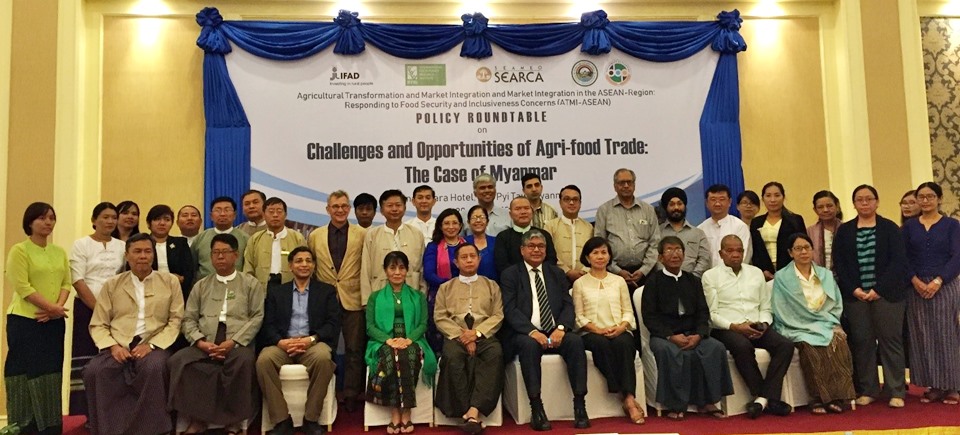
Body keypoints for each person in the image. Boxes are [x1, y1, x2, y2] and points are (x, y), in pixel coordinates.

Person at [84, 233, 185, 434]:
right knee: (95, 371)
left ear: (153, 256)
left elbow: (176, 320)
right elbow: (99, 323)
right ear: (127, 255)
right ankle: (109, 429)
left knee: (154, 368)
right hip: (118, 343)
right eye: (137, 251)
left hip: (153, 342)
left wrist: (152, 345)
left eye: (147, 251)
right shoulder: (112, 284)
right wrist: (113, 346)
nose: (142, 256)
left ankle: (152, 430)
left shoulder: (169, 282)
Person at [168, 233, 264, 434]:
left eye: (224, 252)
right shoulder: (201, 285)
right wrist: (200, 342)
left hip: (237, 342)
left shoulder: (250, 283)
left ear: (235, 255)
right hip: (206, 341)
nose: (220, 257)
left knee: (243, 363)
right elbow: (189, 319)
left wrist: (234, 342)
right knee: (180, 361)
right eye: (215, 253)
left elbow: (256, 317)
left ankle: (233, 423)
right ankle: (197, 420)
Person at [500, 229, 589, 430]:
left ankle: (580, 405)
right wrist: (533, 332)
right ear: (522, 250)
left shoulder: (556, 273)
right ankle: (536, 407)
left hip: (555, 330)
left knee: (575, 342)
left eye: (540, 246)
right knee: (528, 346)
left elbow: (568, 305)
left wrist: (561, 328)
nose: (536, 250)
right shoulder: (511, 274)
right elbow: (510, 309)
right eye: (531, 246)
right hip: (526, 333)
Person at [702, 235, 794, 418]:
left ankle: (761, 400)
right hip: (726, 328)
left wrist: (764, 324)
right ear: (721, 253)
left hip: (757, 324)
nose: (735, 254)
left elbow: (765, 306)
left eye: (739, 250)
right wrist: (735, 327)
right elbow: (711, 315)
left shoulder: (755, 272)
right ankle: (768, 398)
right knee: (743, 346)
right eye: (730, 250)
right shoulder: (710, 276)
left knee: (785, 345)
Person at [833, 185, 909, 408]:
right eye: (859, 200)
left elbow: (898, 262)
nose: (864, 203)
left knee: (890, 342)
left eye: (869, 199)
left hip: (887, 296)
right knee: (862, 343)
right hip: (856, 297)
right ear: (854, 203)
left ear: (877, 202)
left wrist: (879, 289)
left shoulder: (890, 228)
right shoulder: (845, 231)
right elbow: (840, 264)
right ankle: (868, 389)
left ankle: (896, 390)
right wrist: (854, 289)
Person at [642, 236, 732, 420]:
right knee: (670, 352)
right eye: (669, 250)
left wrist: (699, 335)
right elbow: (649, 317)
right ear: (660, 257)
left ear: (684, 254)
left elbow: (702, 313)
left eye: (678, 250)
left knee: (715, 348)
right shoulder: (653, 282)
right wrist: (670, 336)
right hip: (664, 336)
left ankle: (708, 401)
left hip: (693, 333)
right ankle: (676, 405)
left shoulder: (692, 280)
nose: (675, 254)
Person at [257, 247, 340, 435]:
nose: (304, 264)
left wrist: (311, 339)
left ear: (314, 265)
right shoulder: (277, 293)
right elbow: (267, 324)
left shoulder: (326, 291)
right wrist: (281, 342)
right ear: (291, 266)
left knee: (323, 359)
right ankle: (281, 421)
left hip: (312, 344)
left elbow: (333, 323)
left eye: (308, 261)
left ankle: (311, 419)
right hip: (283, 344)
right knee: (264, 360)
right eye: (299, 261)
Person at [5, 202, 71, 434]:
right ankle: (23, 425)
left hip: (53, 322)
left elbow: (66, 282)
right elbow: (22, 286)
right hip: (25, 321)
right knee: (24, 371)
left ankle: (50, 426)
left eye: (51, 218)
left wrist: (57, 308)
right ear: (30, 222)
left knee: (51, 371)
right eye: (42, 218)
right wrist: (51, 308)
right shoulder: (20, 250)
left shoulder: (59, 251)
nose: (48, 222)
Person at [771, 233, 855, 414]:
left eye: (807, 247)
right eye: (798, 248)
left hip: (824, 322)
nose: (803, 252)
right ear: (790, 252)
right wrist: (804, 325)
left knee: (838, 342)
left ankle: (839, 396)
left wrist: (834, 323)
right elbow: (781, 308)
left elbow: (836, 303)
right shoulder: (782, 277)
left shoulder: (824, 274)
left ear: (812, 250)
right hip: (796, 325)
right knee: (810, 347)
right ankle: (817, 398)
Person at [572, 237, 645, 425]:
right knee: (601, 344)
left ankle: (627, 398)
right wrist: (597, 329)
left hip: (619, 330)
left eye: (604, 252)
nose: (600, 256)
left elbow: (628, 311)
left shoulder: (619, 281)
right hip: (591, 333)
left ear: (609, 256)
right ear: (587, 258)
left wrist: (621, 327)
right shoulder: (580, 283)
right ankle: (627, 398)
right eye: (595, 253)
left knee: (625, 344)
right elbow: (579, 317)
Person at [434, 244, 504, 434]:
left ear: (479, 259)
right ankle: (466, 411)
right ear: (456, 262)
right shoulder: (445, 288)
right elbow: (440, 317)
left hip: (484, 335)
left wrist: (477, 333)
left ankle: (473, 411)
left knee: (495, 354)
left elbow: (497, 315)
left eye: (473, 256)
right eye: (464, 257)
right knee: (453, 357)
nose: (469, 260)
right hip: (456, 336)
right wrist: (463, 336)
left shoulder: (491, 285)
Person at [365, 251, 437, 435]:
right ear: (385, 271)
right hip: (383, 341)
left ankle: (405, 412)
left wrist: (408, 339)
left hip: (412, 339)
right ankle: (396, 412)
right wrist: (387, 339)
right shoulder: (375, 297)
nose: (397, 272)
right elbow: (370, 326)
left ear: (407, 271)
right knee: (391, 355)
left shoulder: (417, 296)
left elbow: (422, 324)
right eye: (392, 268)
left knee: (408, 355)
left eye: (401, 268)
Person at [308, 190, 367, 412]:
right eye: (335, 206)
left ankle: (351, 394)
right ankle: (327, 393)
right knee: (326, 349)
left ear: (349, 209)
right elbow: (311, 269)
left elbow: (366, 266)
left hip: (354, 298)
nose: (340, 210)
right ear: (327, 209)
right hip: (325, 301)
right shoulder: (315, 235)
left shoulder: (361, 234)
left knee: (354, 349)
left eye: (344, 206)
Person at [902, 182, 960, 405]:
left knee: (947, 334)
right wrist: (915, 280)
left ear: (939, 199)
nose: (925, 201)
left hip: (945, 284)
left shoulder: (952, 225)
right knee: (923, 336)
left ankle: (953, 386)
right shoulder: (909, 227)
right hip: (915, 286)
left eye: (930, 197)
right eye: (921, 197)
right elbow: (904, 257)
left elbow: (957, 256)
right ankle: (933, 385)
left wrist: (938, 280)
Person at [69, 202, 126, 415]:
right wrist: (98, 308)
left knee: (112, 359)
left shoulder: (121, 246)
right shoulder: (81, 244)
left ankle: (111, 412)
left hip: (117, 311)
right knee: (86, 360)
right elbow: (77, 279)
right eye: (105, 217)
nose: (110, 221)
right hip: (87, 308)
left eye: (113, 217)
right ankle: (84, 413)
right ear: (94, 220)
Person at [594, 168, 660, 290]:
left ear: (634, 185)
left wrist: (643, 270)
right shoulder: (604, 210)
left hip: (646, 273)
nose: (626, 185)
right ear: (615, 186)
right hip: (613, 273)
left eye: (629, 182)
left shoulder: (648, 210)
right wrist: (617, 271)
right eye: (621, 183)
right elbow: (599, 244)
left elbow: (655, 242)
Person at [360, 190, 426, 306]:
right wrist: (366, 301)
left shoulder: (416, 234)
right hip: (379, 296)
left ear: (405, 208)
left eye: (398, 205)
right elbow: (365, 269)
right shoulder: (372, 234)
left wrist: (422, 297)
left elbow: (422, 268)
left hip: (411, 296)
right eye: (390, 206)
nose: (394, 209)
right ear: (381, 210)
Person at [422, 208, 465, 354]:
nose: (451, 227)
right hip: (439, 297)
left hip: (465, 297)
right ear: (440, 226)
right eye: (447, 223)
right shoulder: (433, 246)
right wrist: (450, 285)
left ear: (460, 225)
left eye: (455, 223)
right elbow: (428, 273)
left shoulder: (467, 245)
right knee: (439, 340)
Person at [243, 197, 308, 284]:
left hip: (289, 286)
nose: (275, 215)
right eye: (271, 212)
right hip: (262, 287)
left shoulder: (297, 238)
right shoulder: (255, 239)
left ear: (285, 215)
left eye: (279, 211)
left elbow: (306, 265)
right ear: (263, 215)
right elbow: (248, 268)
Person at [751, 182, 807, 274]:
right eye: (768, 196)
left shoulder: (795, 220)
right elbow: (755, 250)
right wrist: (762, 271)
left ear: (783, 197)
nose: (772, 200)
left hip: (791, 270)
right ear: (763, 199)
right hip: (765, 272)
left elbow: (802, 247)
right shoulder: (756, 222)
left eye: (777, 195)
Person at [494, 197, 558, 276]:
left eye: (526, 208)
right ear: (510, 214)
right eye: (518, 209)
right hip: (514, 282)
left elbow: (551, 260)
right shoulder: (503, 237)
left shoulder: (544, 234)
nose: (523, 212)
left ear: (532, 212)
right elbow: (502, 265)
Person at [543, 184, 593, 283]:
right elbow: (548, 253)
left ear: (580, 203)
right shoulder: (550, 226)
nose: (571, 202)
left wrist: (584, 271)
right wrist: (567, 271)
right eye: (567, 199)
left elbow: (593, 252)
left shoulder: (589, 227)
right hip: (557, 277)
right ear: (560, 203)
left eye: (575, 199)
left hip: (585, 277)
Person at [192, 196, 249, 281]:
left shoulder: (245, 238)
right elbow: (192, 266)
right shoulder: (200, 238)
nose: (222, 214)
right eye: (218, 210)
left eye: (227, 210)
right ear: (211, 216)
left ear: (234, 215)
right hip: (205, 288)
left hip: (236, 287)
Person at [147, 204, 195, 302]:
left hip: (177, 293)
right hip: (148, 292)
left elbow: (189, 272)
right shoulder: (142, 243)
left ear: (172, 223)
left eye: (167, 219)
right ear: (149, 223)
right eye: (157, 219)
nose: (162, 223)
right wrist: (170, 278)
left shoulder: (180, 243)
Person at [659, 187, 711, 277]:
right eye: (671, 204)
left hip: (693, 283)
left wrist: (691, 279)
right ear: (665, 207)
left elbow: (704, 259)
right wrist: (665, 277)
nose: (676, 207)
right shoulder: (657, 232)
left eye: (679, 204)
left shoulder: (698, 233)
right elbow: (655, 258)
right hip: (663, 282)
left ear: (685, 206)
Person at [698, 184, 753, 269]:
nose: (717, 203)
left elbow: (744, 256)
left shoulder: (739, 226)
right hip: (708, 278)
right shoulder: (701, 229)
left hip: (735, 276)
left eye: (722, 199)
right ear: (706, 203)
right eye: (713, 200)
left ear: (730, 202)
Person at [807, 191, 843, 269]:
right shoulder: (810, 232)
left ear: (837, 206)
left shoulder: (846, 229)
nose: (825, 210)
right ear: (815, 210)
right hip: (818, 276)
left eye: (829, 206)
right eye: (820, 207)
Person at [464, 205, 498, 281]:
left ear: (487, 221)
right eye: (474, 218)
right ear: (468, 222)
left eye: (482, 217)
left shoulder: (497, 242)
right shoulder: (463, 242)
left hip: (493, 287)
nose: (478, 220)